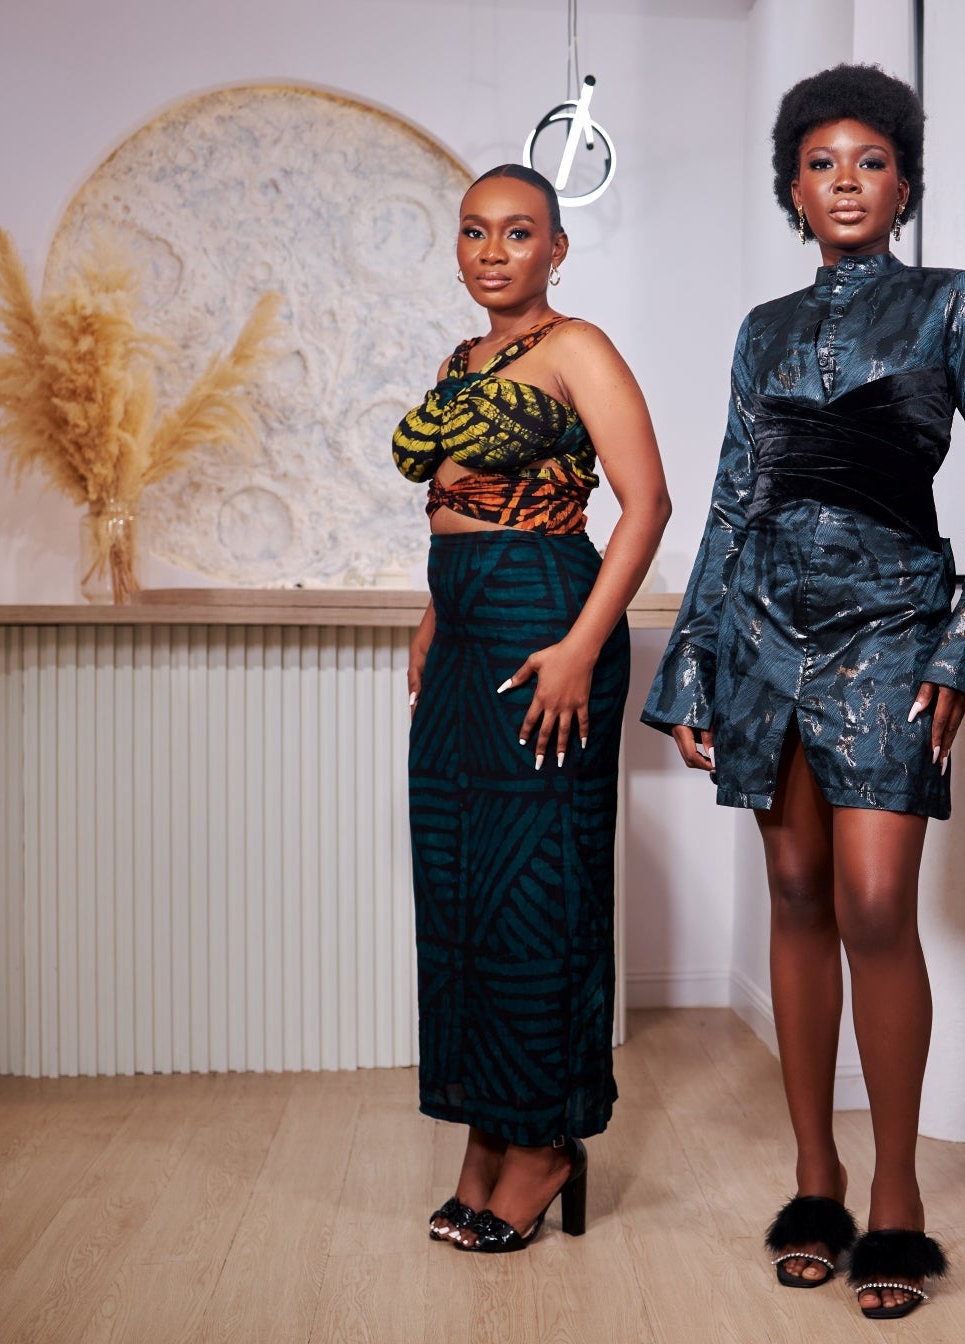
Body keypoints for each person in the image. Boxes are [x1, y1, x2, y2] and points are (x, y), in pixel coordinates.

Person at [643, 65, 965, 1320]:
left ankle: (898, 1195)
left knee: (875, 902)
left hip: (895, 626)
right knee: (799, 890)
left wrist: (963, 648)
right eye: (822, 164)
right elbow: (729, 501)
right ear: (794, 190)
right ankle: (816, 1181)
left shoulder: (950, 303)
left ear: (904, 184)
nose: (847, 182)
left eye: (871, 161)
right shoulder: (760, 330)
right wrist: (693, 659)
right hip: (763, 626)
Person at [394, 163, 670, 1254]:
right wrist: (434, 614)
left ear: (556, 249)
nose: (493, 251)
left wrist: (581, 648)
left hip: (547, 621)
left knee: (536, 894)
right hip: (466, 626)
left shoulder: (578, 348)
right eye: (475, 232)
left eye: (518, 233)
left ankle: (547, 1141)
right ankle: (486, 1132)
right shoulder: (461, 361)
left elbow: (647, 505)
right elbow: (456, 499)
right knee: (460, 885)